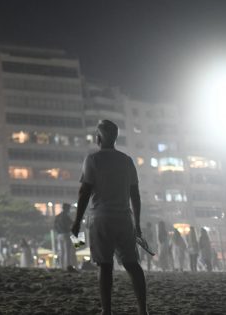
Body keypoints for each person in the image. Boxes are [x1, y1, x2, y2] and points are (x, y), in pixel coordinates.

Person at [71, 120, 148, 315]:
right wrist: (137, 224)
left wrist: (77, 221)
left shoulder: (93, 160)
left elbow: (84, 193)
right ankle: (143, 310)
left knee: (105, 266)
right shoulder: (127, 160)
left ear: (99, 138)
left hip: (101, 218)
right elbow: (135, 195)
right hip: (124, 218)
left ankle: (107, 311)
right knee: (132, 265)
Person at [53, 203, 76, 271]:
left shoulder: (58, 216)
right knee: (67, 252)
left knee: (61, 252)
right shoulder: (66, 216)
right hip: (66, 234)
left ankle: (61, 266)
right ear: (67, 208)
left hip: (59, 235)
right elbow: (71, 224)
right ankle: (67, 266)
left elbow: (54, 226)